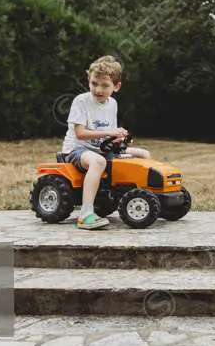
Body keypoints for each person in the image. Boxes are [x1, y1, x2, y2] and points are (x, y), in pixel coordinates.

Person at [59, 55, 151, 229]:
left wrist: (119, 137)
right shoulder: (81, 101)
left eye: (105, 85)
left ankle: (142, 197)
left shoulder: (112, 104)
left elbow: (109, 133)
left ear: (116, 86)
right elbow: (80, 134)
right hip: (77, 150)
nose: (98, 89)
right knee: (99, 161)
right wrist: (110, 131)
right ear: (89, 79)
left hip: (100, 148)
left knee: (143, 154)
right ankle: (85, 214)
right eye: (94, 83)